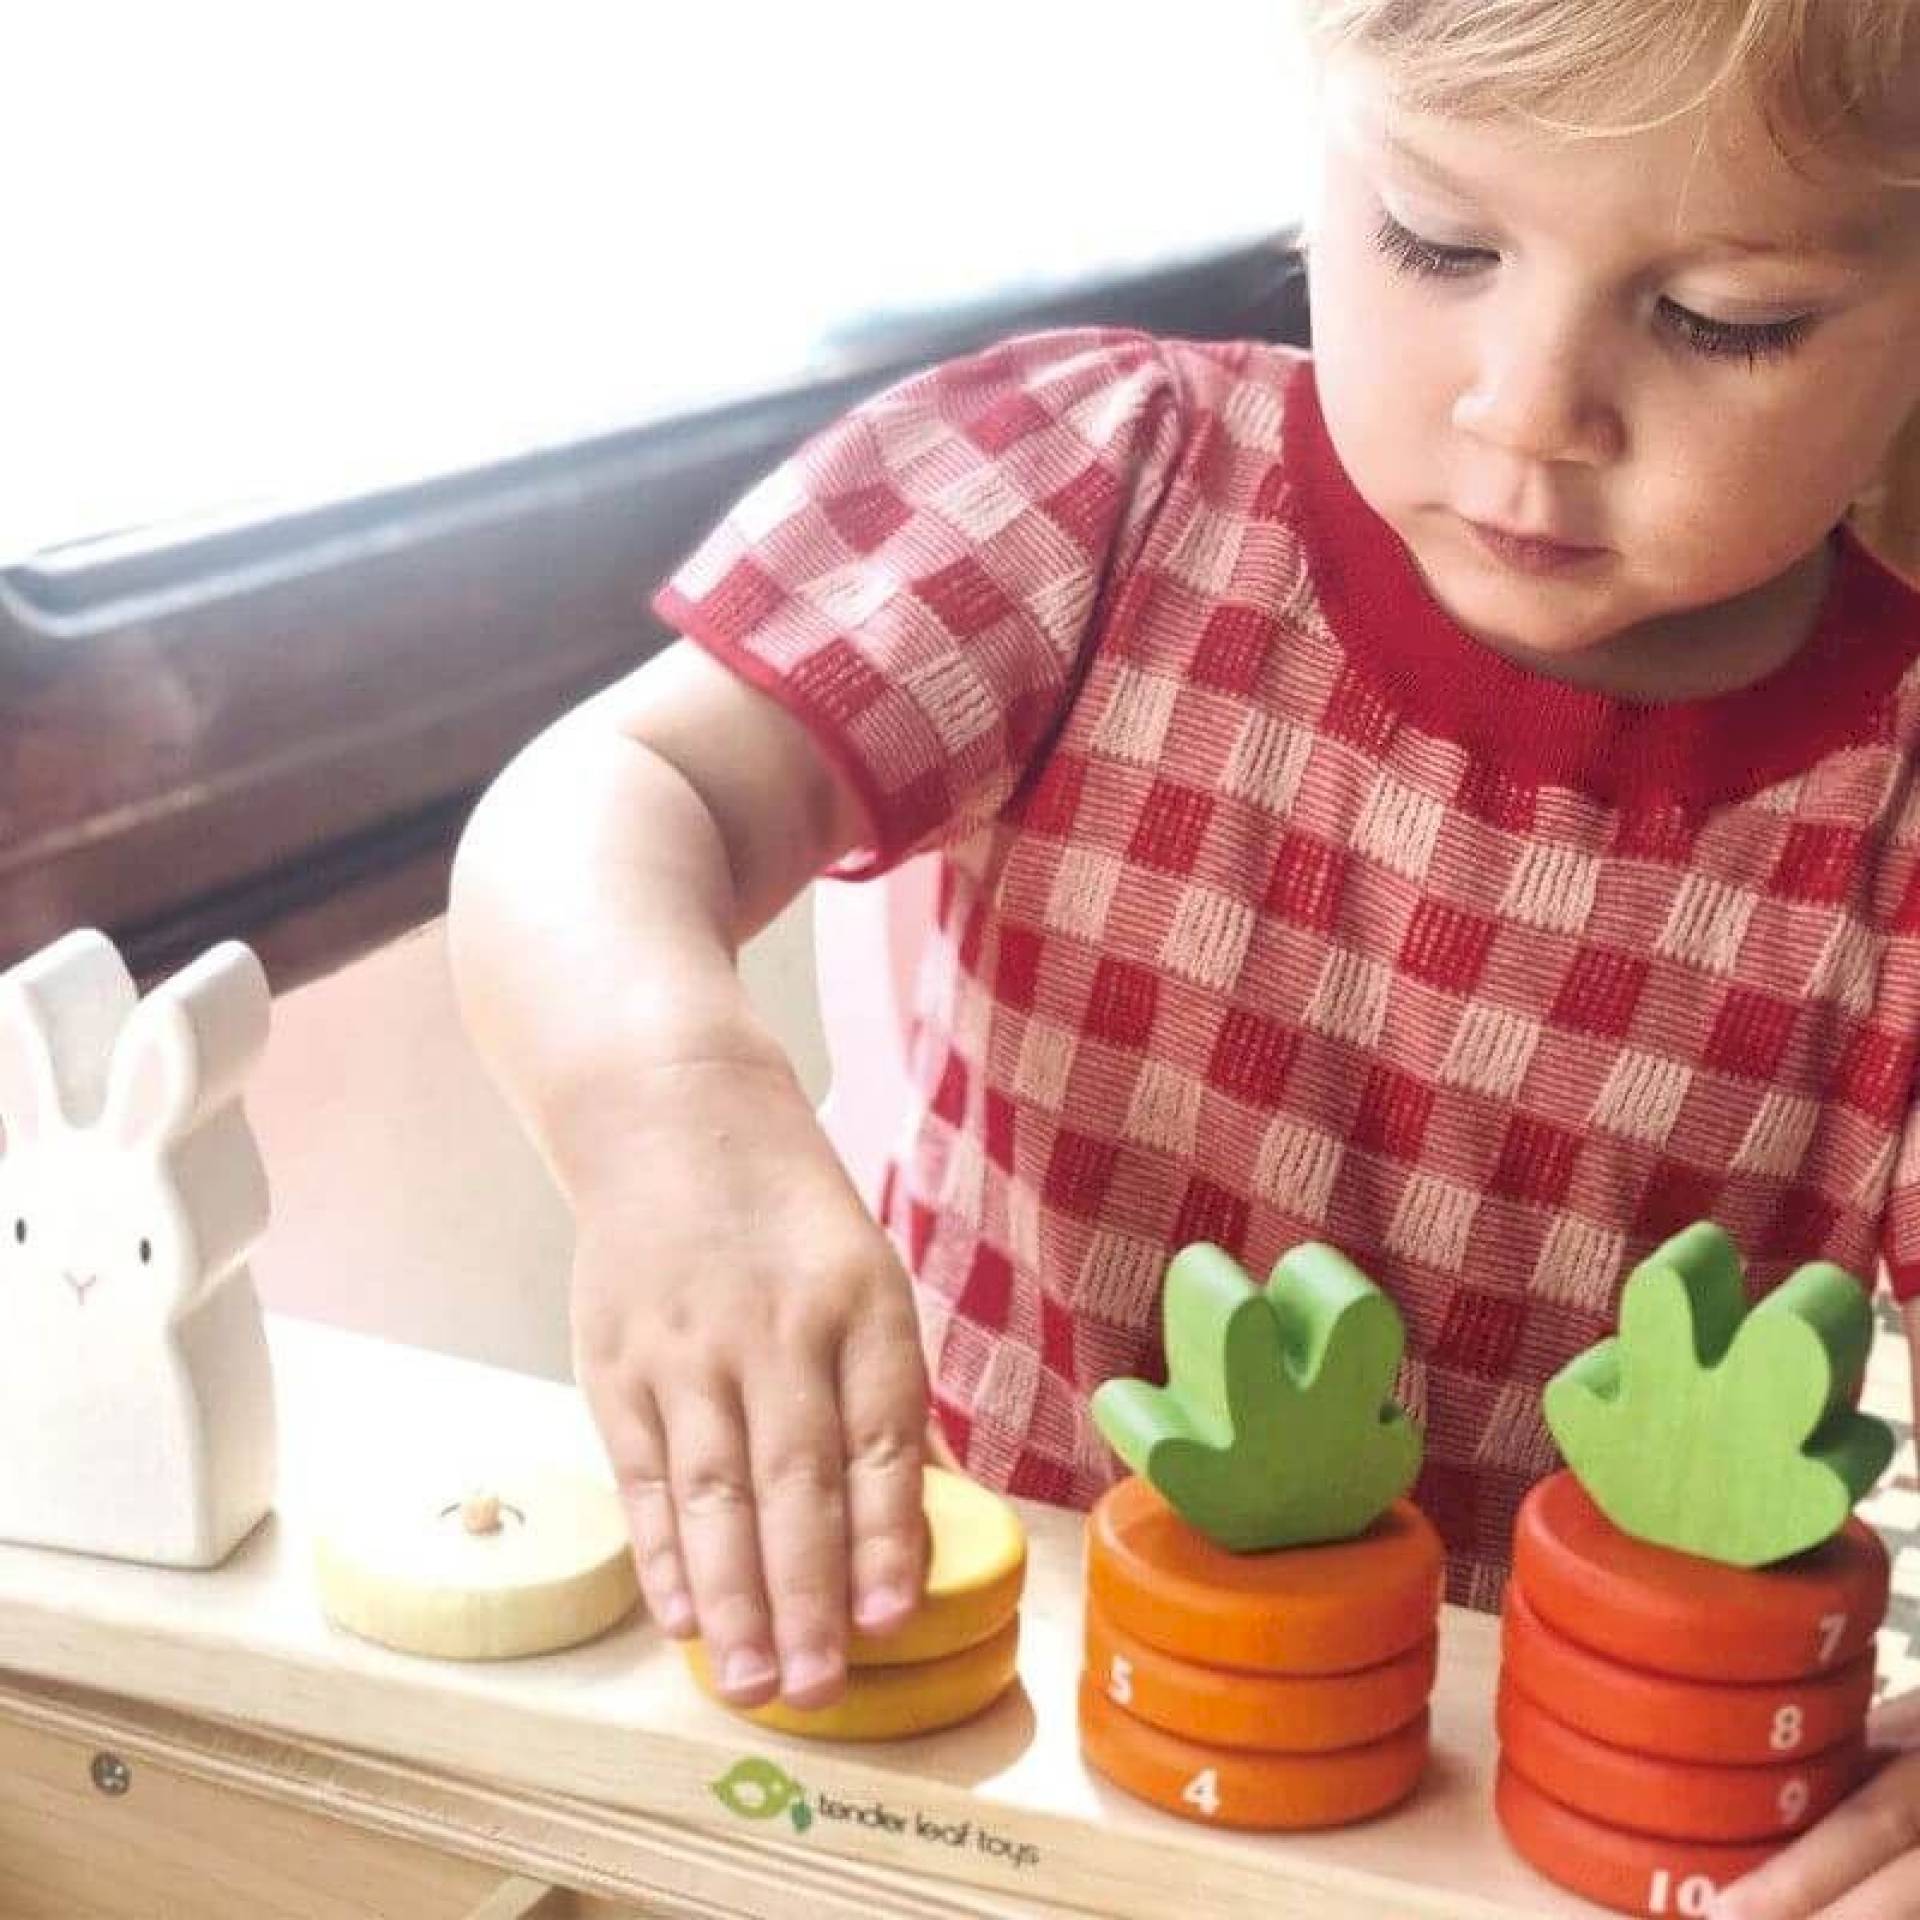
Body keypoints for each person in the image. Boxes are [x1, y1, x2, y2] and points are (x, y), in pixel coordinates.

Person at [449, 3, 1920, 1903]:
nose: (1527, 407)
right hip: (958, 1738)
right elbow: (614, 795)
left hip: (1503, 1848)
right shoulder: (1101, 484)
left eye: (1727, 318)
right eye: (1437, 242)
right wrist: (672, 1119)